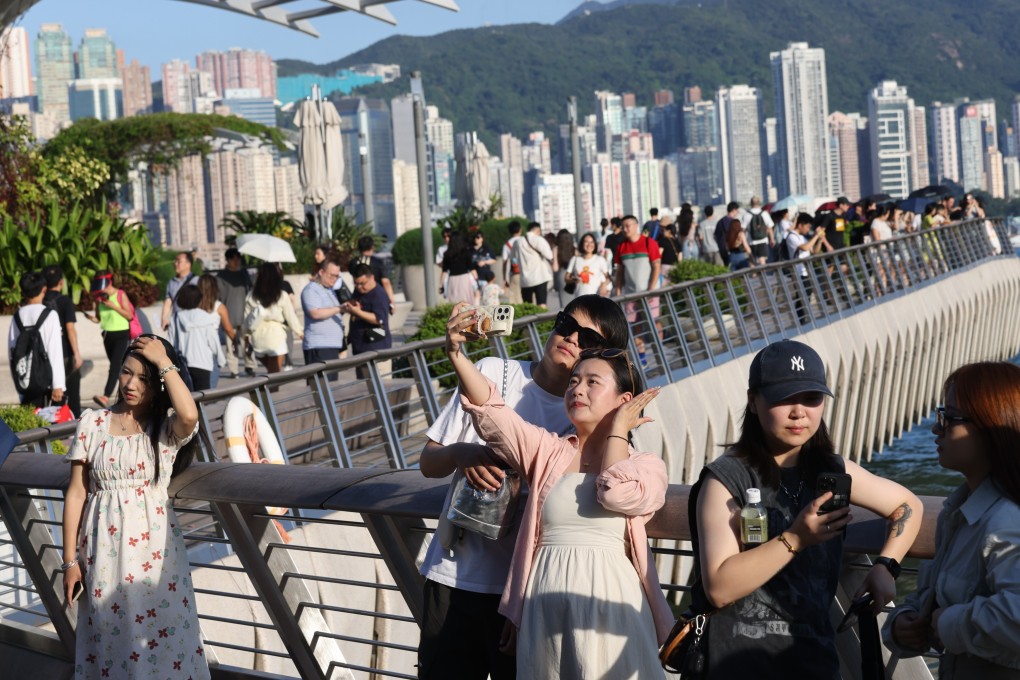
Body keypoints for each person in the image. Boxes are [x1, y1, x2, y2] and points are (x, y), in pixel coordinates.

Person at [446, 303, 671, 678]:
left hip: (610, 607)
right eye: (574, 382)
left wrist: (616, 431)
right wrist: (455, 353)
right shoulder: (549, 450)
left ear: (624, 401)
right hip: (543, 610)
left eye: (592, 383)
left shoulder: (646, 466)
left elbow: (614, 493)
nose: (577, 389)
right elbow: (493, 414)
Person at [690, 340, 922, 680]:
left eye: (812, 398)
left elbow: (907, 505)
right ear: (753, 402)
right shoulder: (728, 479)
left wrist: (886, 566)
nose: (800, 412)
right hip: (736, 665)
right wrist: (796, 538)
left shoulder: (831, 471)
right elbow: (720, 588)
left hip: (814, 662)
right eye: (785, 398)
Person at [61, 334, 209, 680]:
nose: (130, 384)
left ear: (158, 384)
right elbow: (76, 494)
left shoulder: (163, 429)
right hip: (102, 555)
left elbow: (189, 414)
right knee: (110, 642)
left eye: (144, 378)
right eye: (127, 373)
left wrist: (163, 360)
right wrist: (70, 562)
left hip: (155, 559)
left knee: (162, 642)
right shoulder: (92, 424)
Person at [883, 362, 1020, 678]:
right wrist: (904, 623)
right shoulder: (956, 514)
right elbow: (931, 600)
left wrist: (948, 623)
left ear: (992, 426)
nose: (936, 428)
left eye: (949, 418)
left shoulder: (1006, 520)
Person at [8, 271, 65, 407]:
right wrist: (58, 385)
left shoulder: (17, 317)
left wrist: (19, 384)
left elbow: (12, 353)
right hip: (48, 384)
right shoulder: (50, 315)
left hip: (26, 383)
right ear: (44, 289)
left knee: (31, 426)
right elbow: (54, 350)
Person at [243, 262, 303, 375]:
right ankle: (269, 391)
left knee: (271, 372)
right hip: (276, 337)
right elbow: (291, 317)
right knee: (275, 375)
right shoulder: (281, 295)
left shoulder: (251, 295)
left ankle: (267, 390)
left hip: (258, 338)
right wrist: (300, 332)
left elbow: (246, 320)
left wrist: (246, 338)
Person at [86, 272, 134, 408]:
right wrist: (91, 318)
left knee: (115, 366)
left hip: (121, 334)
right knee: (119, 368)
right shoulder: (99, 298)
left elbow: (129, 315)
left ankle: (106, 396)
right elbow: (99, 318)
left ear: (109, 282)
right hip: (107, 335)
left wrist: (113, 305)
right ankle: (124, 397)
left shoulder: (120, 294)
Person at [42, 265, 83, 416]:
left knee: (51, 396)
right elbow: (70, 329)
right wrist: (77, 355)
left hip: (45, 355)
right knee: (72, 395)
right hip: (66, 354)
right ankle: (74, 427)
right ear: (61, 282)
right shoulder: (65, 301)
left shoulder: (40, 301)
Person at [168, 284, 223, 391]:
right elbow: (213, 341)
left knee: (186, 397)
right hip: (203, 364)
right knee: (202, 397)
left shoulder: (175, 318)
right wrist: (220, 360)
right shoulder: (206, 318)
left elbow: (170, 342)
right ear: (199, 299)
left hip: (182, 364)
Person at [301, 256, 346, 381]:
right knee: (321, 388)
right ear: (321, 272)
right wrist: (339, 309)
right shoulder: (311, 290)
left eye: (337, 276)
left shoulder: (329, 289)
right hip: (319, 346)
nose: (334, 279)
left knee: (331, 388)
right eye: (331, 275)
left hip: (331, 346)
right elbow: (315, 313)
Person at [343, 263, 391, 379]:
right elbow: (355, 304)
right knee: (364, 391)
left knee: (380, 390)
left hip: (376, 351)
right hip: (361, 351)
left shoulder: (378, 294)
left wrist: (357, 311)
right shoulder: (359, 291)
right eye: (356, 283)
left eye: (362, 283)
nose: (359, 287)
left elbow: (379, 319)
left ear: (372, 278)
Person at [217, 247, 255, 378]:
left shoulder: (244, 274)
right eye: (234, 258)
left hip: (245, 315)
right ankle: (234, 370)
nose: (237, 261)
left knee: (247, 343)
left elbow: (250, 291)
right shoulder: (221, 276)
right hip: (229, 316)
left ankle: (250, 366)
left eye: (238, 258)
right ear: (227, 260)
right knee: (231, 345)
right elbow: (219, 297)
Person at [785, 213, 826, 325]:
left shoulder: (803, 237)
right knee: (802, 296)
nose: (808, 229)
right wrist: (816, 236)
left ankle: (802, 320)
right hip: (798, 272)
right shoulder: (792, 237)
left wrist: (820, 240)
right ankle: (800, 321)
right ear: (800, 225)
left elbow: (814, 251)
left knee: (806, 295)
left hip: (806, 271)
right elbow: (805, 247)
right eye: (807, 226)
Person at [198, 273, 234, 387]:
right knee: (213, 371)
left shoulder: (194, 304)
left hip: (197, 342)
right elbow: (228, 328)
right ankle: (209, 396)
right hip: (212, 344)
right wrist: (235, 339)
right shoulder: (219, 306)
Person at [512, 221, 554, 308]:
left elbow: (513, 257)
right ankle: (543, 321)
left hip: (525, 280)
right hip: (540, 277)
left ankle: (529, 322)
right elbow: (549, 256)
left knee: (528, 306)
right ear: (538, 230)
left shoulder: (518, 242)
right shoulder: (539, 239)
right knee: (542, 304)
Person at [351, 235, 396, 314]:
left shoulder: (353, 263)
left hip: (358, 298)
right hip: (376, 297)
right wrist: (391, 301)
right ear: (372, 247)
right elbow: (386, 282)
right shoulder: (378, 262)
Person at [565, 232, 611, 298]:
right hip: (579, 298)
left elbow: (608, 277)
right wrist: (573, 280)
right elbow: (566, 278)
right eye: (586, 242)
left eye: (592, 242)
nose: (589, 245)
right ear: (582, 244)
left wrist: (604, 284)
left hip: (596, 298)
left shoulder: (600, 259)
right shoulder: (575, 259)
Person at [161, 251, 197, 331]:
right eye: (175, 261)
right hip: (176, 323)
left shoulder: (196, 281)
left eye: (179, 261)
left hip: (193, 323)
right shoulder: (171, 282)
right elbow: (168, 301)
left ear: (188, 264)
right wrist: (164, 318)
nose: (175, 263)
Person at [441, 231, 479, 305]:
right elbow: (472, 268)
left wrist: (441, 284)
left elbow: (444, 271)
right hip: (464, 279)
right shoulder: (466, 252)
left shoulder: (447, 254)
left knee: (454, 302)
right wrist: (476, 280)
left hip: (452, 280)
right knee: (465, 302)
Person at [741, 196, 775, 265]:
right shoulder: (764, 213)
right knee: (762, 260)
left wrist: (744, 243)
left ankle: (754, 275)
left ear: (751, 203)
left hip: (751, 242)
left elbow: (743, 230)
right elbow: (770, 227)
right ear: (759, 203)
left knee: (752, 261)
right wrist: (772, 239)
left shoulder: (747, 215)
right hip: (763, 240)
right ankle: (763, 274)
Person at [501, 221, 524, 304]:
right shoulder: (525, 240)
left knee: (515, 298)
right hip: (528, 271)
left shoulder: (507, 245)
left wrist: (504, 278)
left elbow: (504, 262)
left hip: (515, 273)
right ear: (520, 230)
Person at [656, 215, 682, 283]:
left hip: (665, 266)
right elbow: (680, 257)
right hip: (675, 266)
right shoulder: (676, 241)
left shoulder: (662, 241)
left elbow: (659, 254)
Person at [554, 229, 576, 309]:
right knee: (576, 300)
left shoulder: (556, 249)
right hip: (573, 275)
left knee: (564, 304)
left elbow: (555, 268)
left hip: (561, 275)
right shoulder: (574, 249)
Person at [714, 202, 741, 267]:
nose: (738, 212)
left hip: (722, 249)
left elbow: (715, 236)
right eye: (737, 211)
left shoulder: (720, 222)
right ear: (734, 210)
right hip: (732, 250)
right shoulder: (734, 223)